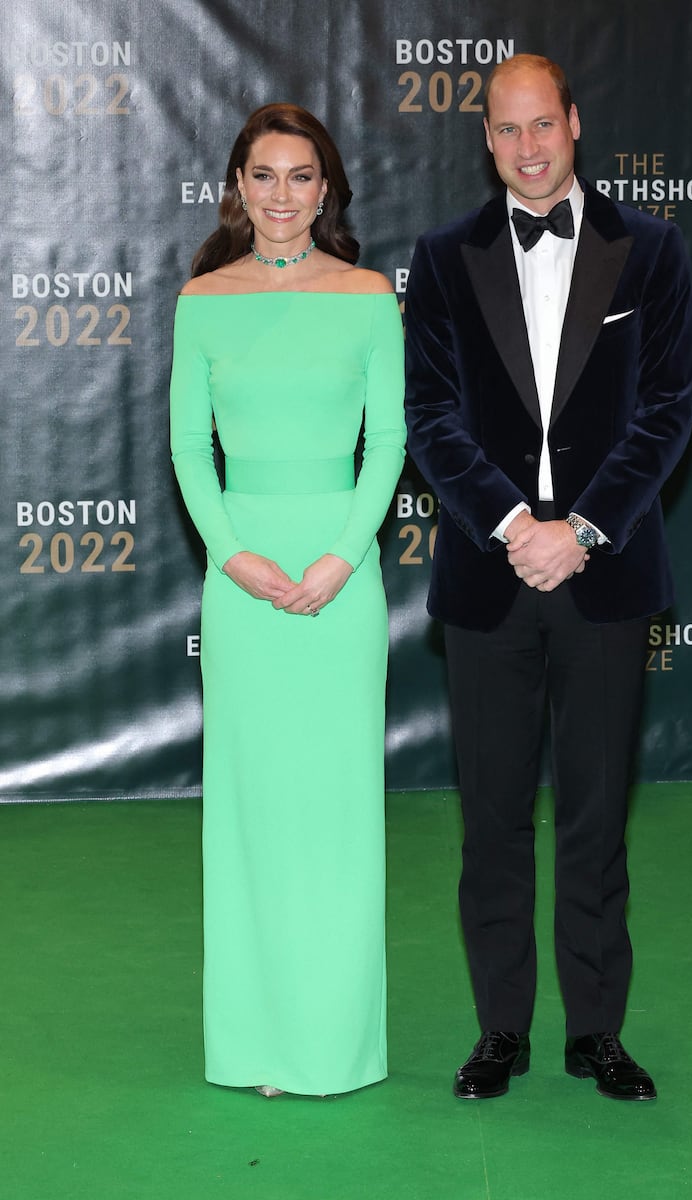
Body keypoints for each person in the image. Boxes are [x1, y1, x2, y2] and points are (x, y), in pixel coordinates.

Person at [404, 54, 692, 1102]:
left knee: (590, 814)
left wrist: (576, 528)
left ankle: (594, 1032)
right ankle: (499, 1031)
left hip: (602, 572)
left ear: (573, 123)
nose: (527, 149)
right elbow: (430, 418)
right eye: (505, 130)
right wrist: (508, 525)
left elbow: (668, 407)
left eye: (543, 125)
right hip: (489, 582)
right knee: (488, 818)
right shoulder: (443, 258)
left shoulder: (649, 249)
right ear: (482, 139)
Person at [170, 103, 405, 1098]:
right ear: (237, 186)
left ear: (327, 189)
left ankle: (332, 1041)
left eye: (300, 176)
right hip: (243, 587)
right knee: (253, 812)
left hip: (339, 586)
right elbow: (190, 448)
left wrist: (343, 559)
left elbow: (387, 444)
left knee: (336, 810)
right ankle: (259, 1041)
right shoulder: (201, 299)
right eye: (262, 175)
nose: (280, 196)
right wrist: (232, 557)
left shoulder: (366, 297)